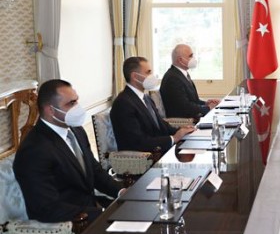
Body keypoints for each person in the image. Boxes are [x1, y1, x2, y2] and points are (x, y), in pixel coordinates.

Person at [13, 79, 123, 223]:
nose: (78, 108)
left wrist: (120, 191)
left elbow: (94, 171)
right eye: (71, 103)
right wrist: (102, 214)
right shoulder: (34, 150)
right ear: (50, 110)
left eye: (76, 101)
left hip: (92, 209)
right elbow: (47, 208)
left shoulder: (76, 130)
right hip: (71, 224)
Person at [110, 56, 194, 152]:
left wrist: (181, 131)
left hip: (159, 149)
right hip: (145, 157)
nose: (152, 76)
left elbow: (161, 125)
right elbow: (137, 142)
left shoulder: (146, 98)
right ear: (135, 76)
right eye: (148, 72)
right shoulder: (123, 103)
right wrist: (173, 138)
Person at [160, 44, 219, 120]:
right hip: (184, 122)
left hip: (192, 117)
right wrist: (207, 108)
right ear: (180, 60)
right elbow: (184, 106)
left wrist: (206, 103)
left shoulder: (181, 74)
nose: (193, 58)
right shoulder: (172, 78)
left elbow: (192, 100)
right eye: (190, 56)